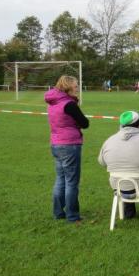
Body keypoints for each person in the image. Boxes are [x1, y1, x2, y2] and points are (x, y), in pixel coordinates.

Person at [44, 76, 89, 223]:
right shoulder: (69, 104)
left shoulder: (52, 103)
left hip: (56, 144)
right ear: (68, 87)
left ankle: (58, 213)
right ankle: (72, 215)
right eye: (76, 85)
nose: (77, 88)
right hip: (70, 145)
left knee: (60, 179)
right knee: (71, 181)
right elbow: (85, 123)